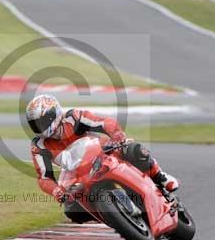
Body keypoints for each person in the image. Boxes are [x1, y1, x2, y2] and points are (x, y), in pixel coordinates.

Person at [26, 94, 179, 221]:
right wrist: (55, 190)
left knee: (133, 149)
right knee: (72, 210)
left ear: (54, 114)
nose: (39, 127)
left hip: (103, 153)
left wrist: (116, 134)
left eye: (41, 122)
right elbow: (44, 177)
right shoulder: (39, 146)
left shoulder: (73, 118)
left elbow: (104, 122)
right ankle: (112, 217)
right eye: (35, 124)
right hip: (78, 173)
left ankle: (160, 176)